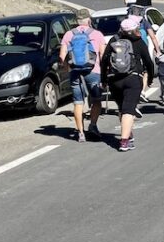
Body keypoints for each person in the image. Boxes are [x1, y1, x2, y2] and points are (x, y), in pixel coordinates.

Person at [103, 19, 155, 152]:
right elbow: (148, 62)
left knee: (122, 109)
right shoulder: (138, 41)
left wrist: (103, 79)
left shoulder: (113, 40)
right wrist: (149, 78)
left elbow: (104, 60)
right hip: (133, 78)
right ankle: (124, 141)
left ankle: (129, 136)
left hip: (114, 80)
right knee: (129, 110)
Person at [58, 13, 105, 142]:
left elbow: (62, 57)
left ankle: (80, 133)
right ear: (88, 20)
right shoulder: (97, 34)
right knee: (96, 100)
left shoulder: (69, 34)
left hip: (75, 72)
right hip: (93, 71)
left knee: (78, 103)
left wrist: (68, 68)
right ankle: (93, 125)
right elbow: (102, 55)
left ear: (77, 21)